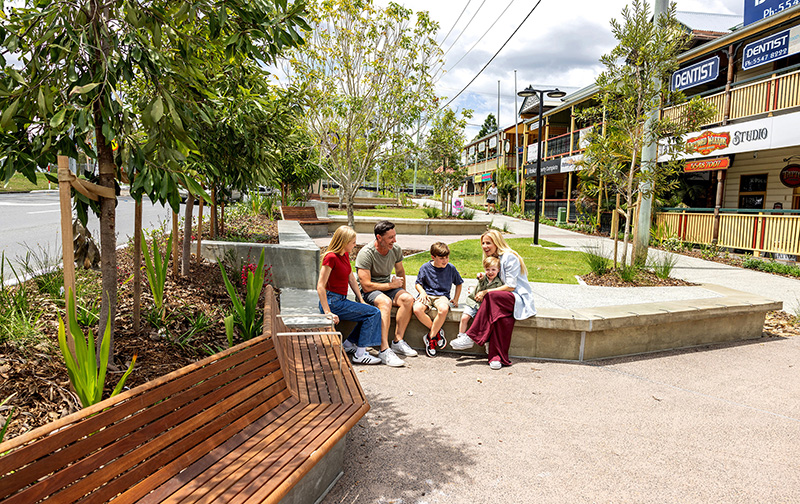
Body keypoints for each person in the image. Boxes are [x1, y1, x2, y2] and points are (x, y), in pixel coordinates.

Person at [450, 229, 536, 370]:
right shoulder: (494, 260)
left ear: (497, 243)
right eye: (483, 243)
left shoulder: (509, 257)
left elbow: (510, 286)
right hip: (501, 300)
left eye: (488, 243)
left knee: (490, 296)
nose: (485, 246)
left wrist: (485, 292)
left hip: (516, 297)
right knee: (501, 318)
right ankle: (495, 357)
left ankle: (471, 336)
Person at [316, 226, 382, 365]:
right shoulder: (331, 257)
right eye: (352, 242)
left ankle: (349, 344)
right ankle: (360, 354)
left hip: (341, 300)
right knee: (374, 313)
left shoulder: (344, 254)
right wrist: (328, 312)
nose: (355, 244)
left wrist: (361, 300)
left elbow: (351, 278)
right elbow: (320, 286)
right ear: (343, 241)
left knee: (367, 312)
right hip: (332, 302)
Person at [356, 220, 418, 367]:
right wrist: (390, 285)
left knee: (407, 299)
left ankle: (398, 341)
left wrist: (402, 288)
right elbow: (365, 285)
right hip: (370, 291)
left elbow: (400, 271)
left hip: (387, 286)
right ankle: (384, 350)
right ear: (379, 237)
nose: (394, 240)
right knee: (385, 302)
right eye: (390, 237)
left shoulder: (395, 249)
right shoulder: (366, 253)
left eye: (394, 236)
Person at [412, 242, 464, 357]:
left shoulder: (451, 268)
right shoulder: (425, 268)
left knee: (443, 309)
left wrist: (455, 298)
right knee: (416, 309)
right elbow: (418, 284)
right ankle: (437, 332)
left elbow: (459, 283)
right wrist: (422, 292)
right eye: (441, 258)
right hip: (427, 295)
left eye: (446, 257)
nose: (445, 260)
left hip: (442, 296)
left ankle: (430, 338)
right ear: (433, 257)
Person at [457, 255, 503, 340]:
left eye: (493, 270)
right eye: (487, 269)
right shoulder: (484, 277)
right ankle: (461, 336)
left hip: (483, 306)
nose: (490, 272)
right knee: (464, 318)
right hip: (472, 302)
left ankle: (486, 341)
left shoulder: (498, 283)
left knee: (484, 323)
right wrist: (480, 275)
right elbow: (480, 276)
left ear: (498, 270)